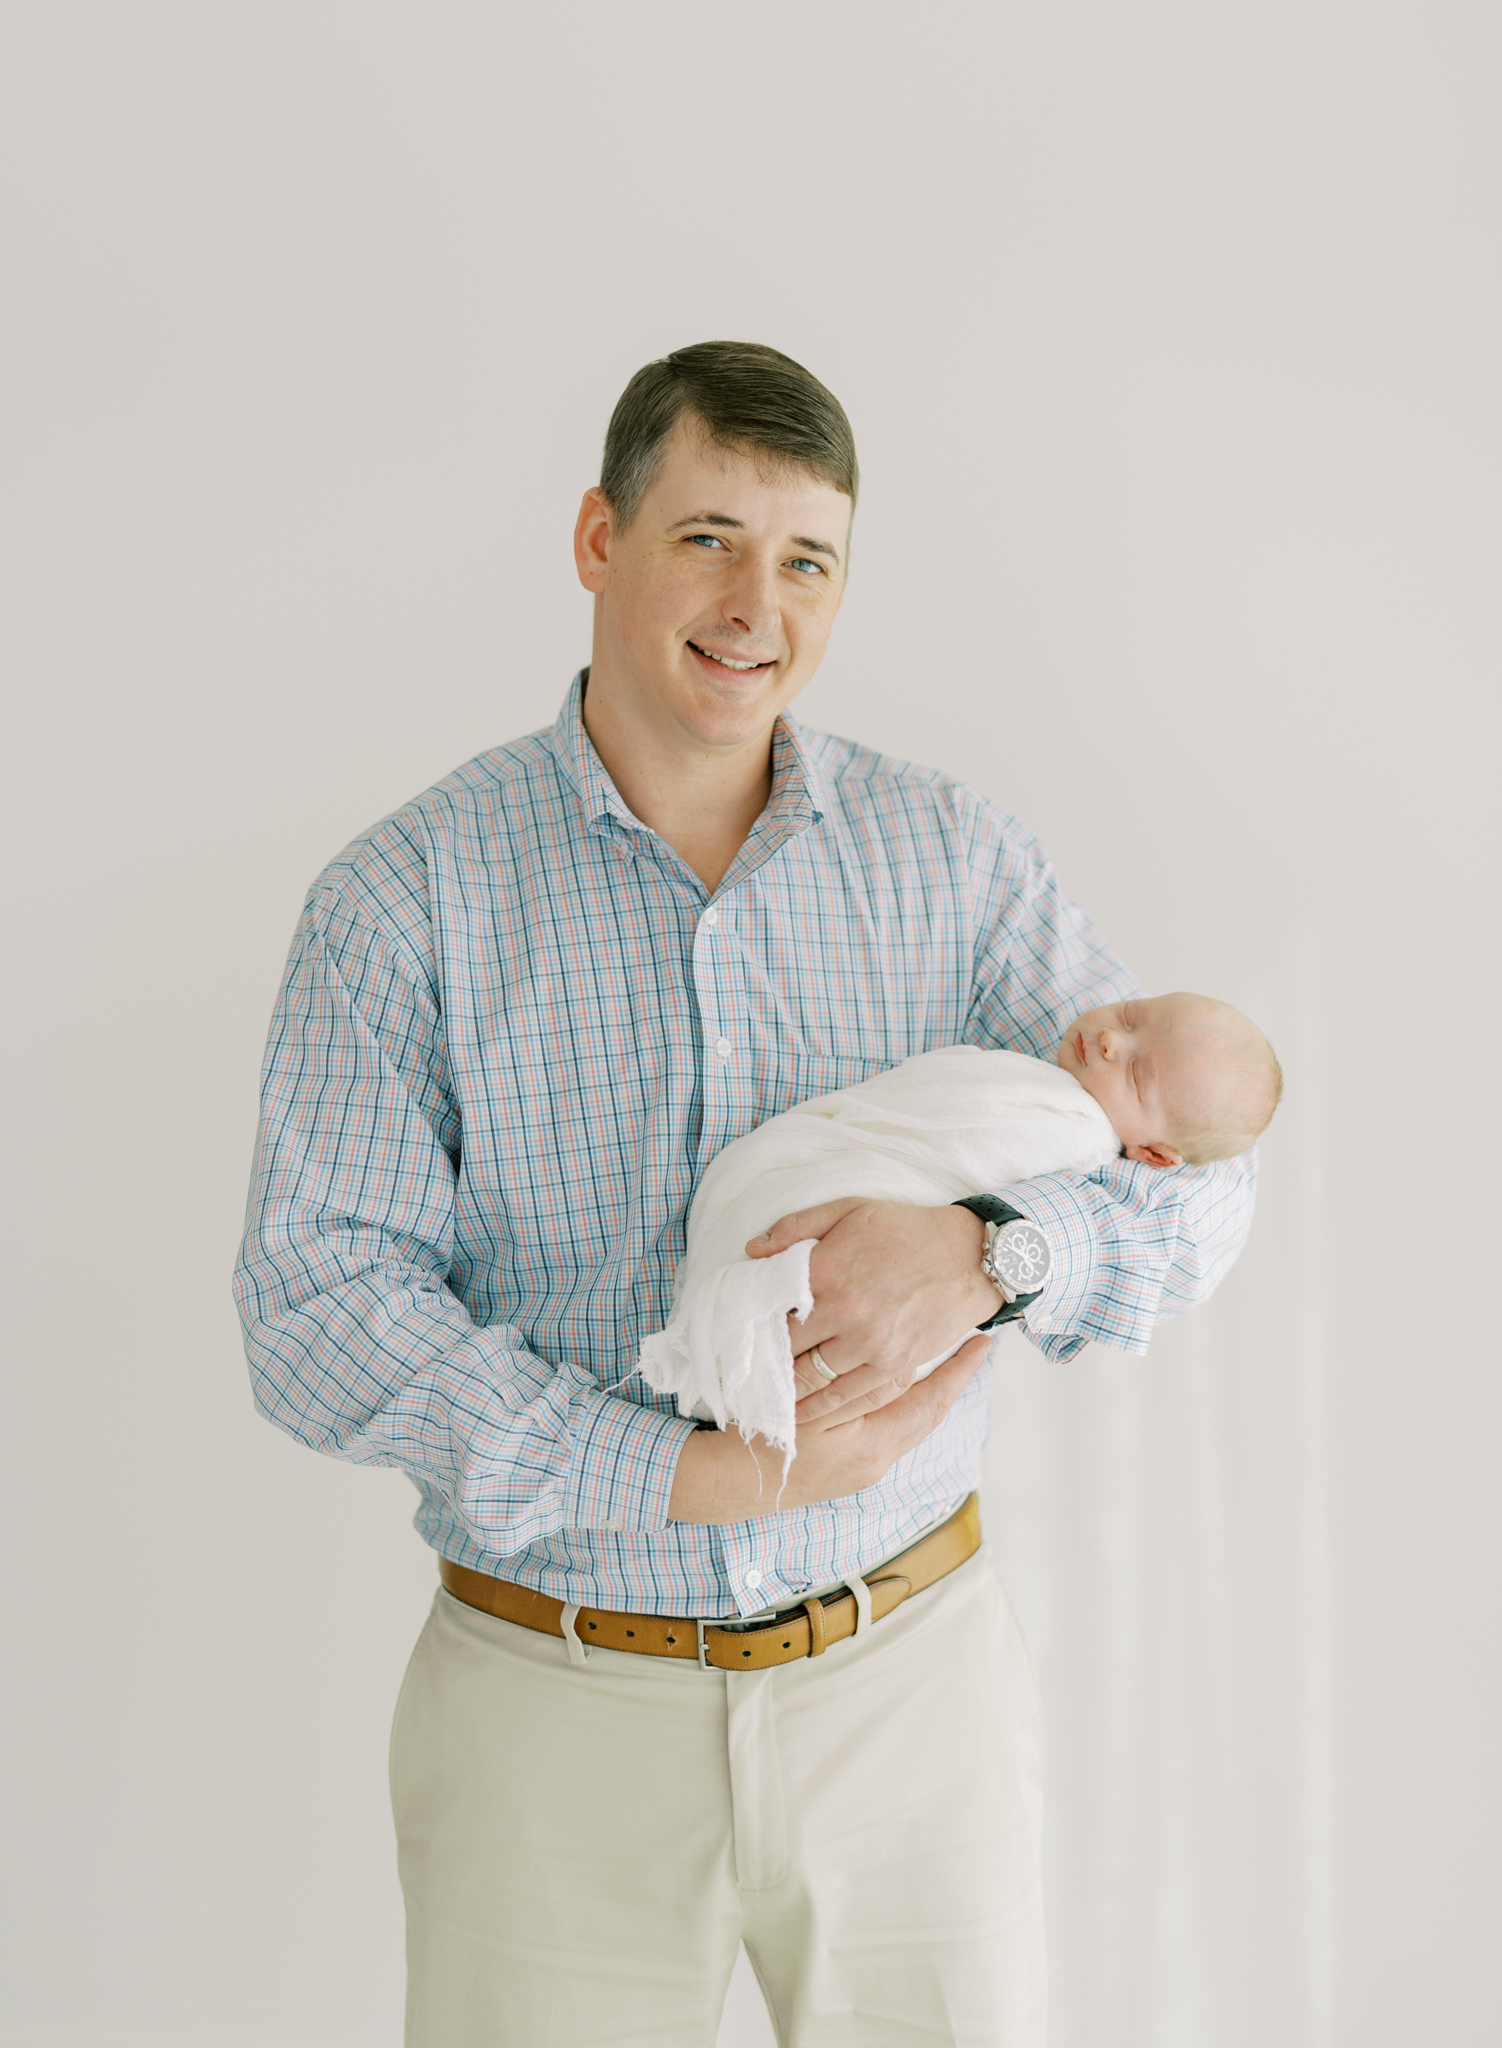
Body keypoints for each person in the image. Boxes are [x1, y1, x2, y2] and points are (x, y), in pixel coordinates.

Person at [234, 341, 1257, 2047]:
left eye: (805, 560)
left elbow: (1200, 1185)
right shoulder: (401, 899)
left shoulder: (958, 862)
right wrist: (676, 1472)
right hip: (550, 1716)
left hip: (908, 1692)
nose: (752, 604)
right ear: (595, 537)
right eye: (707, 535)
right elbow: (314, 1308)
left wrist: (990, 1254)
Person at [639, 993, 1281, 1461]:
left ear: (1154, 1155)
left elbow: (1211, 1209)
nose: (1114, 1040)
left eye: (1137, 1073)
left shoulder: (1075, 1134)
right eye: (1135, 1015)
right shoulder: (1059, 1073)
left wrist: (981, 1245)